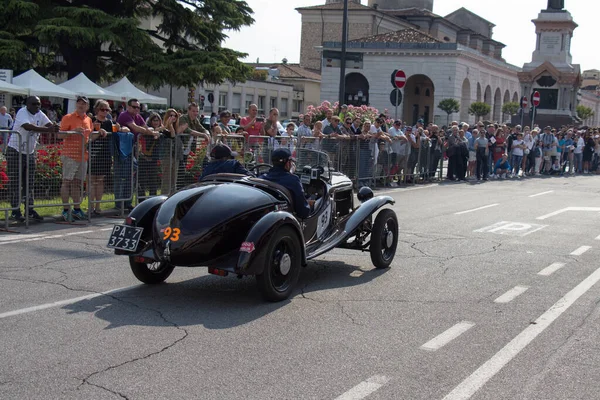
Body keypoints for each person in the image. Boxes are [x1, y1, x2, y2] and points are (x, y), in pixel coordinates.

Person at [6, 96, 59, 222]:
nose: (37, 106)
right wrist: (48, 129)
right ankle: (15, 211)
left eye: (39, 104)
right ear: (27, 104)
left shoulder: (39, 113)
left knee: (29, 182)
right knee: (16, 182)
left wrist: (54, 127)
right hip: (15, 150)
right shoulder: (22, 112)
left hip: (29, 151)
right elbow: (27, 126)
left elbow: (49, 124)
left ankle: (29, 209)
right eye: (34, 104)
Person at [58, 96, 93, 221]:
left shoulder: (89, 119)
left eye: (84, 103)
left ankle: (77, 209)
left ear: (87, 106)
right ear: (76, 105)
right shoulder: (68, 118)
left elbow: (89, 137)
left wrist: (101, 133)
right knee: (66, 182)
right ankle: (66, 209)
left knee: (77, 183)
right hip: (70, 155)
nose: (81, 105)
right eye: (79, 103)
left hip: (83, 156)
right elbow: (60, 135)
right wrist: (73, 131)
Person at [260, 148, 312, 218]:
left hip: (266, 215)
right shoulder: (293, 180)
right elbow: (303, 211)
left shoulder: (262, 178)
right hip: (289, 218)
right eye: (290, 162)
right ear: (287, 163)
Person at [89, 100, 115, 216]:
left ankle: (98, 205)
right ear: (97, 109)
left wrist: (122, 128)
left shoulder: (109, 122)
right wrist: (97, 132)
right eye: (102, 109)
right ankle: (90, 206)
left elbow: (114, 134)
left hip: (104, 154)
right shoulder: (91, 120)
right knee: (91, 180)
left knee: (100, 181)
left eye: (106, 109)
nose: (104, 112)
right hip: (92, 153)